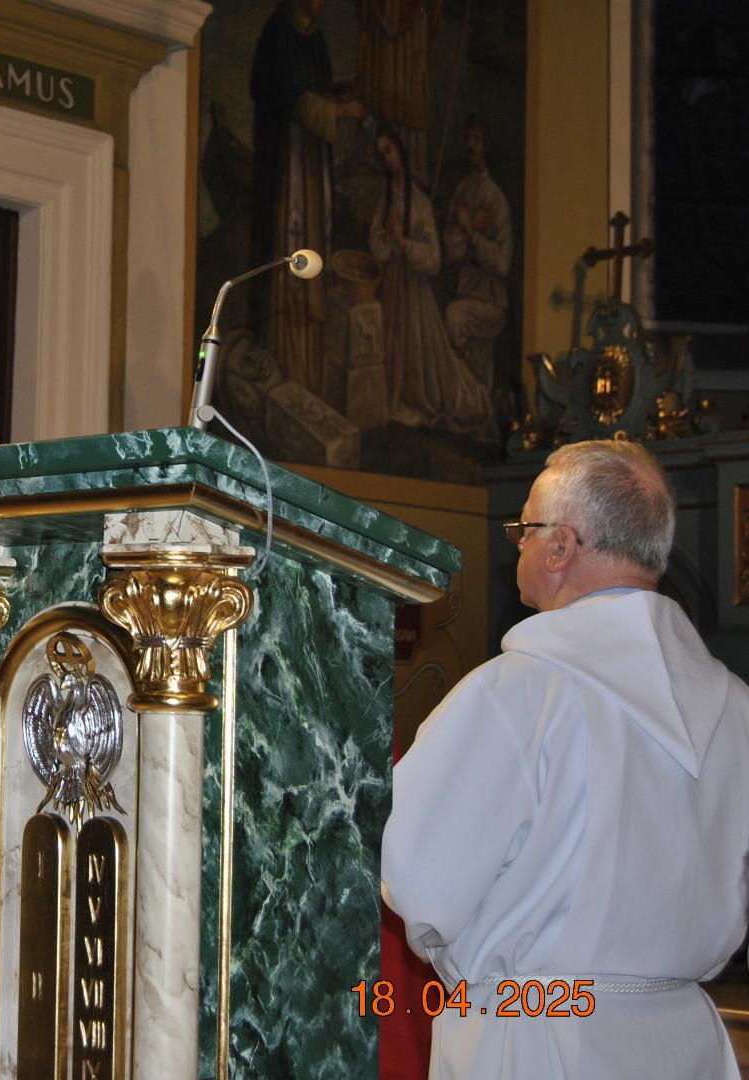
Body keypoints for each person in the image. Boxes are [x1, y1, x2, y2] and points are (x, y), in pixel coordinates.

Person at [382, 440, 749, 1079]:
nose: (516, 546)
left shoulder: (518, 693)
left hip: (538, 1036)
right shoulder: (735, 705)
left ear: (560, 547)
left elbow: (417, 879)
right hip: (684, 1040)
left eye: (524, 530)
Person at [248, 0, 365, 396]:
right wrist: (339, 112)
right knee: (291, 247)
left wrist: (337, 94)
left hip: (311, 164)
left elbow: (314, 87)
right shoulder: (279, 33)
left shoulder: (315, 39)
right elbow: (291, 97)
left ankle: (310, 372)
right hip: (288, 169)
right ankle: (286, 361)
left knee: (315, 247)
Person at [368, 126, 490, 436]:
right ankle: (395, 401)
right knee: (391, 344)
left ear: (400, 151)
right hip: (393, 285)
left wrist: (403, 242)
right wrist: (387, 238)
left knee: (420, 351)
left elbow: (433, 259)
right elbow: (376, 245)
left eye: (389, 150)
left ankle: (443, 399)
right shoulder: (386, 199)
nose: (386, 159)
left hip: (414, 290)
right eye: (381, 154)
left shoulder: (420, 203)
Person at [443, 114, 512, 390]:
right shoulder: (462, 190)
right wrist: (465, 229)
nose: (471, 145)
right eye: (468, 139)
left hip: (489, 302)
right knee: (473, 365)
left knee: (455, 317)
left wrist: (472, 233)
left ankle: (474, 400)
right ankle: (473, 404)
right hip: (467, 291)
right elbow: (451, 251)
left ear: (487, 146)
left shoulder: (496, 199)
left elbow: (502, 263)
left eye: (477, 139)